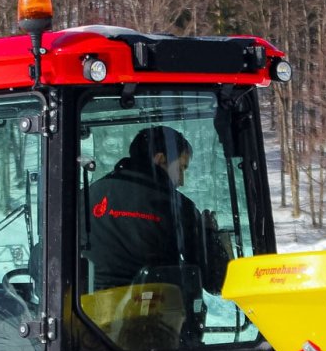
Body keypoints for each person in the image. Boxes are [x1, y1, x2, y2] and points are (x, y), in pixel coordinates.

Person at [81, 125, 230, 296]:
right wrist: (208, 234)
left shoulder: (87, 196)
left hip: (87, 312)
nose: (181, 180)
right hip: (154, 315)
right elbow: (217, 281)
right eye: (180, 168)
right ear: (159, 159)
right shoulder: (178, 208)